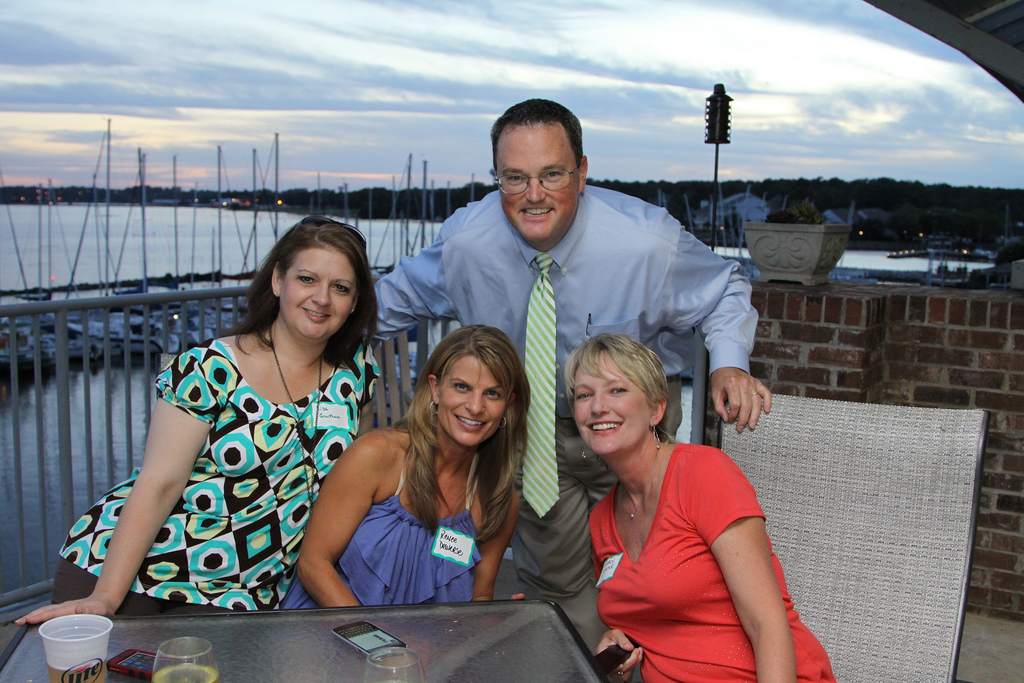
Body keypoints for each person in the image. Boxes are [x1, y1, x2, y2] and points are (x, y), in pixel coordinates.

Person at [374, 97, 771, 645]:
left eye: (551, 174)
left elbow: (724, 287)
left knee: (655, 573)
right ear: (496, 179)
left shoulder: (644, 242)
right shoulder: (469, 241)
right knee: (557, 585)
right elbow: (387, 304)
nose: (533, 196)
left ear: (582, 172)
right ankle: (591, 667)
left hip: (634, 426)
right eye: (514, 178)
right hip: (535, 435)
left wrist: (729, 365)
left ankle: (658, 659)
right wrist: (293, 340)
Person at [18, 216, 379, 624]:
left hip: (243, 592)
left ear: (354, 302)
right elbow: (159, 484)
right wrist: (105, 596)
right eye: (308, 279)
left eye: (341, 288)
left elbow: (350, 486)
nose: (322, 299)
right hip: (135, 571)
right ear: (279, 281)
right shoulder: (207, 368)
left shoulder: (358, 372)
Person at [567, 333, 834, 682]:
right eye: (584, 394)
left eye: (616, 390)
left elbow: (766, 624)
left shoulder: (702, 474)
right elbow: (658, 611)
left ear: (656, 409)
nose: (598, 406)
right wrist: (622, 643)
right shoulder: (602, 519)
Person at [281, 325, 527, 607]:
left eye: (492, 394)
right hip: (333, 631)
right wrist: (378, 646)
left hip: (429, 646)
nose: (474, 406)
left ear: (508, 404)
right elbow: (314, 566)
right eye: (462, 387)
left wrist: (498, 619)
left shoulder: (499, 500)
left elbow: (480, 598)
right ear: (436, 389)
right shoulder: (379, 456)